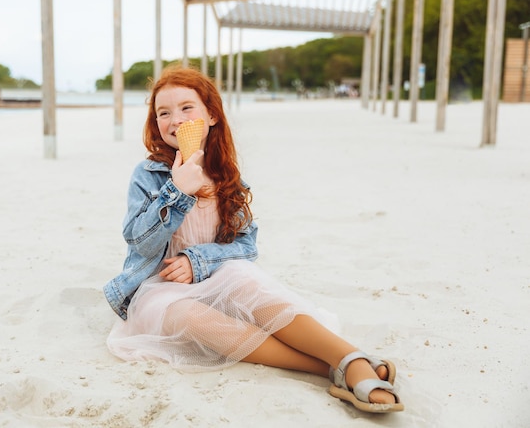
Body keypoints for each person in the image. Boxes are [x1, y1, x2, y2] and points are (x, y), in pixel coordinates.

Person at [103, 65, 404, 414]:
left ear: (211, 115)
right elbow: (140, 243)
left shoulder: (228, 177)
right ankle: (335, 367)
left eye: (187, 107)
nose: (175, 120)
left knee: (248, 281)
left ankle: (346, 357)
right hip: (159, 287)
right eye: (163, 113)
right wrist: (178, 190)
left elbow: (245, 246)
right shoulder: (148, 174)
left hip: (214, 275)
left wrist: (197, 261)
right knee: (189, 317)